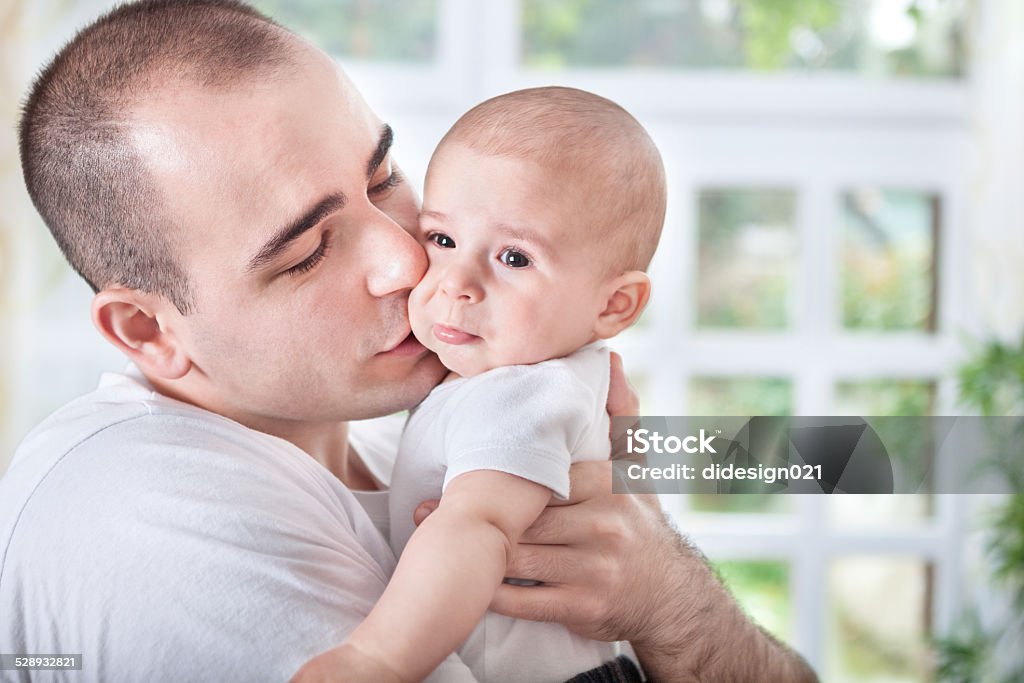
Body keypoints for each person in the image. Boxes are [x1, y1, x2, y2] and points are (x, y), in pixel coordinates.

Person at [1, 1, 818, 681]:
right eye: (307, 251)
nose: (407, 256)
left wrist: (671, 597)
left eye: (384, 177)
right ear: (149, 329)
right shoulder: (146, 512)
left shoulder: (420, 428)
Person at [321, 86, 664, 683]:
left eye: (514, 258)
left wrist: (375, 659)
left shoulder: (523, 393)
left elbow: (476, 527)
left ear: (613, 304)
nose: (457, 283)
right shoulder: (511, 377)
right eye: (443, 241)